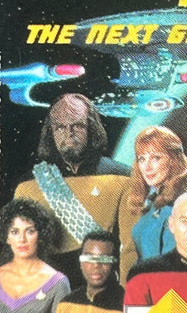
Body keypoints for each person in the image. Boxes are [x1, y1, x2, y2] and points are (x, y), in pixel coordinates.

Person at [12, 93, 135, 283]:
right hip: (49, 290)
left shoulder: (123, 177)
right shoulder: (27, 186)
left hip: (106, 288)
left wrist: (127, 293)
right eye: (60, 127)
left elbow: (131, 249)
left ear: (91, 128)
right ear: (51, 132)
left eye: (77, 125)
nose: (69, 133)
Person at [127, 126, 187, 265]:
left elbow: (176, 269)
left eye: (156, 158)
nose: (147, 167)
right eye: (142, 159)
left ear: (173, 161)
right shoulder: (152, 204)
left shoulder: (178, 209)